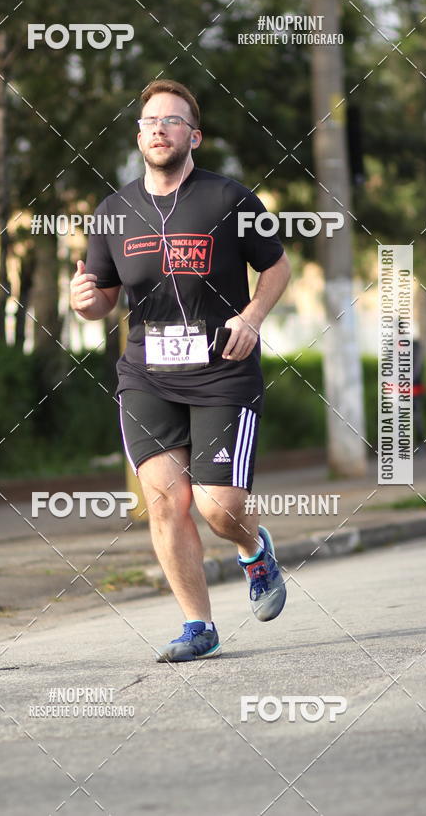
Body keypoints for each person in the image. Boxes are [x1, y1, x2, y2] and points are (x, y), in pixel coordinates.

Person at [70, 79, 291, 662]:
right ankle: (199, 626)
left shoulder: (231, 200)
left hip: (224, 370)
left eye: (172, 121)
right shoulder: (114, 212)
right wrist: (83, 301)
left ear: (194, 136)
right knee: (167, 501)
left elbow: (276, 266)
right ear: (138, 135)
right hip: (148, 376)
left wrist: (253, 315)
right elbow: (101, 298)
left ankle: (255, 552)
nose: (159, 129)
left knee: (219, 507)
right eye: (149, 122)